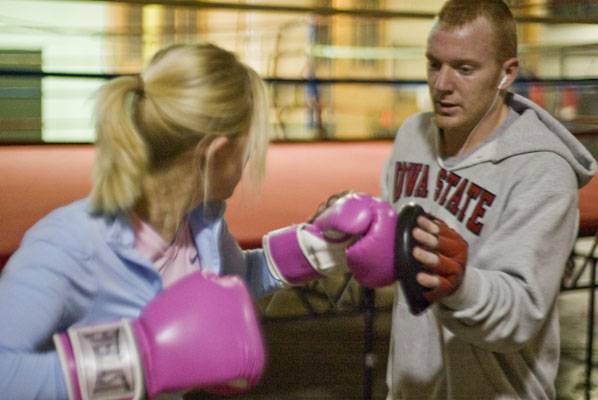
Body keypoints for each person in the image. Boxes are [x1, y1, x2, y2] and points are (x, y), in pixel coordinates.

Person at [0, 43, 364, 399]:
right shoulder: (70, 245)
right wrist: (140, 362)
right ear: (218, 153)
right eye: (248, 148)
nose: (251, 160)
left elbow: (234, 282)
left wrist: (316, 247)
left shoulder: (200, 227)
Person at [311, 1, 597, 399]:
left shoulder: (541, 170)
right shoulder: (413, 136)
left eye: (464, 69)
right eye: (434, 64)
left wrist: (459, 285)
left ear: (506, 73)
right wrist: (348, 236)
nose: (442, 84)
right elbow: (394, 258)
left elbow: (521, 313)